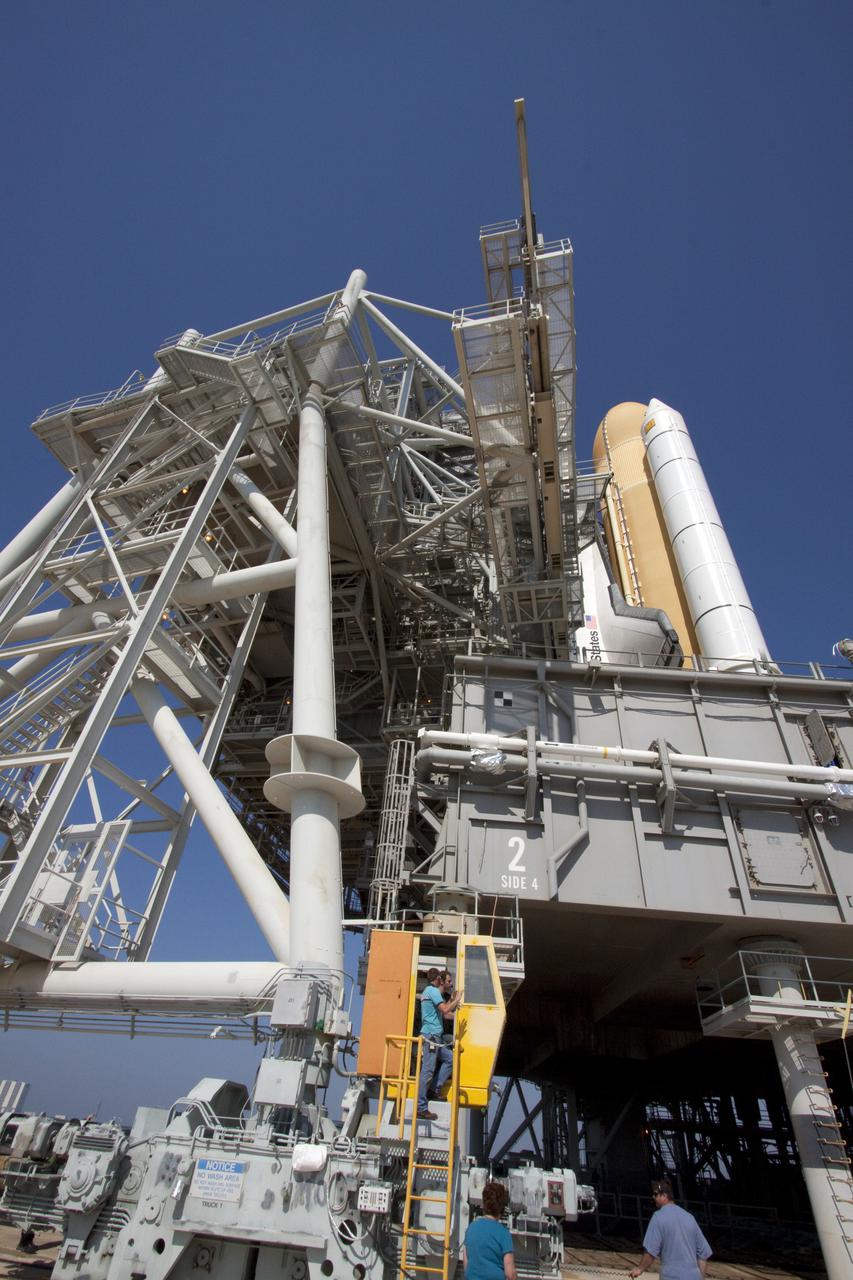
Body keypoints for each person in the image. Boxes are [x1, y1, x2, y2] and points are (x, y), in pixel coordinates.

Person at [629, 1179, 712, 1279]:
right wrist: (700, 1277)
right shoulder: (689, 1217)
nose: (653, 1197)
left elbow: (651, 1251)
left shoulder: (658, 1217)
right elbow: (703, 1254)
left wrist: (639, 1269)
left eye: (655, 1194)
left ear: (664, 1195)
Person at [416, 967, 462, 1120]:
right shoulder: (433, 991)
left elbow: (445, 1014)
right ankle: (421, 1107)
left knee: (450, 1059)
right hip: (432, 1037)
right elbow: (445, 1010)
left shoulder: (428, 992)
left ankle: (434, 1091)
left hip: (435, 1037)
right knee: (428, 1071)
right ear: (439, 980)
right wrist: (457, 999)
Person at [463, 1180, 516, 1280]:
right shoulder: (503, 1233)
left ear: (484, 1204)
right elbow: (510, 1274)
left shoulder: (471, 1229)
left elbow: (466, 1265)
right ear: (502, 1208)